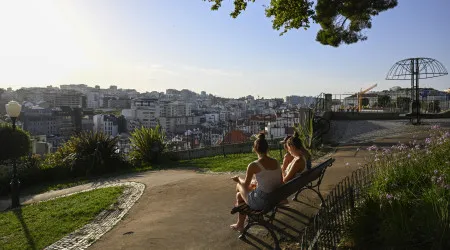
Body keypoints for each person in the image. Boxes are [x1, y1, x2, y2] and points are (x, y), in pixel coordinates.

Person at [230, 133, 282, 232]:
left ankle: (241, 221)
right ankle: (240, 223)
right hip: (274, 198)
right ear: (267, 148)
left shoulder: (253, 165)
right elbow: (281, 181)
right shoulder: (276, 161)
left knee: (239, 187)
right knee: (240, 195)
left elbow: (245, 185)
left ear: (254, 149)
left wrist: (238, 179)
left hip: (262, 203)